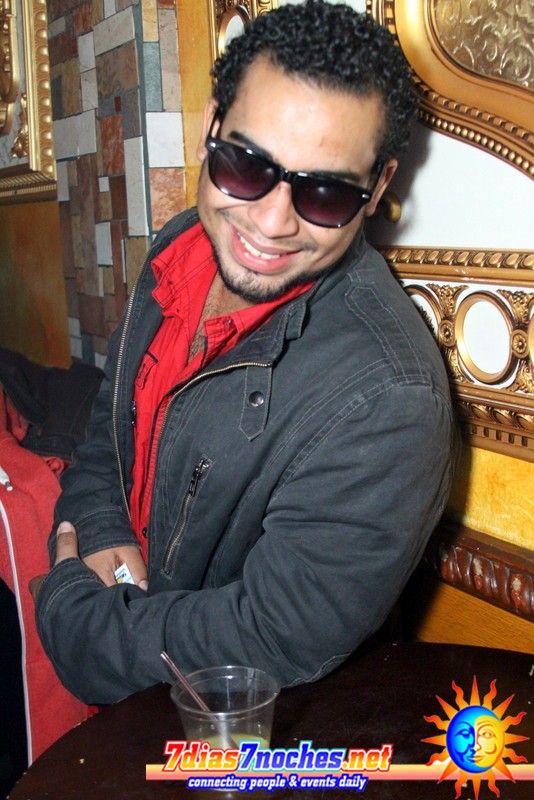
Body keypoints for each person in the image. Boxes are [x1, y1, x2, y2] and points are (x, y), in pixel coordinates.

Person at [32, 0, 457, 705]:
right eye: (246, 164)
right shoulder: (181, 246)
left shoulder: (390, 396)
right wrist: (102, 529)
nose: (271, 221)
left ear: (378, 186)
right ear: (211, 129)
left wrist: (79, 620)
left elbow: (273, 634)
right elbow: (111, 429)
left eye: (326, 192)